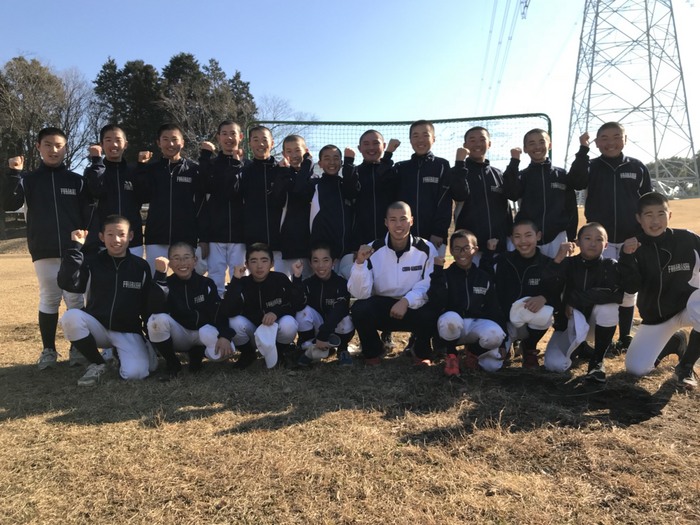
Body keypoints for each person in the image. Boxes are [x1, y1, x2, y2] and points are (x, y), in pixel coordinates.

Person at [2, 127, 89, 369]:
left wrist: (83, 241)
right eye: (48, 145)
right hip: (44, 249)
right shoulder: (28, 180)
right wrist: (13, 173)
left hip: (74, 250)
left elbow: (86, 215)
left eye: (59, 145)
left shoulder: (77, 181)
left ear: (66, 148)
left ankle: (79, 348)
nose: (53, 150)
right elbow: (10, 203)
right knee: (50, 298)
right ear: (38, 147)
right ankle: (49, 350)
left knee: (75, 299)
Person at [569, 121, 652, 353]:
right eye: (604, 138)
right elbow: (575, 181)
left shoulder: (637, 166)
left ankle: (625, 337)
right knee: (599, 288)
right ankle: (589, 339)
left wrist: (642, 235)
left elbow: (648, 201)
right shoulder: (591, 166)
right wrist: (583, 151)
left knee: (628, 289)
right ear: (597, 143)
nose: (610, 142)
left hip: (630, 240)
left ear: (625, 139)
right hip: (599, 241)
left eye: (616, 137)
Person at [56, 215, 156, 386]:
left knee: (136, 373)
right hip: (98, 327)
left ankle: (120, 353)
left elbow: (147, 305)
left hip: (127, 330)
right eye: (110, 234)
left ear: (131, 236)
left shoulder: (141, 266)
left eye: (121, 234)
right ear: (101, 237)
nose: (116, 240)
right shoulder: (92, 262)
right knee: (70, 317)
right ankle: (98, 363)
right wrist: (75, 248)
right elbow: (68, 283)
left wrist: (151, 338)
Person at [620, 192, 700, 389]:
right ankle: (674, 341)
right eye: (649, 215)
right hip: (658, 317)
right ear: (639, 218)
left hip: (689, 308)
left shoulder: (688, 239)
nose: (655, 221)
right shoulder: (633, 247)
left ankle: (686, 366)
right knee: (636, 368)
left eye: (661, 214)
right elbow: (631, 287)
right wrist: (627, 257)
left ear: (669, 215)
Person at [348, 201, 438, 366]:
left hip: (412, 307)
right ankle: (373, 350)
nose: (398, 225)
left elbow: (429, 284)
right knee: (359, 309)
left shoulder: (426, 248)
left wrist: (406, 301)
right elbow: (360, 293)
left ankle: (420, 350)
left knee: (433, 310)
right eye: (393, 220)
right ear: (386, 222)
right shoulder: (372, 249)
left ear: (411, 221)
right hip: (383, 308)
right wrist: (359, 264)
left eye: (403, 219)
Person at [543, 223, 623, 382]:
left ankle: (597, 361)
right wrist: (557, 260)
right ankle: (581, 348)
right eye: (587, 238)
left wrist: (575, 299)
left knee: (609, 308)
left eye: (599, 239)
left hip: (594, 325)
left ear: (606, 245)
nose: (593, 243)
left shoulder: (610, 265)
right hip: (568, 324)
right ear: (577, 242)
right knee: (554, 365)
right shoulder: (567, 263)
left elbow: (616, 295)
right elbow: (547, 286)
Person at [480, 219, 564, 368]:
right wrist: (489, 252)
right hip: (506, 323)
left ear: (538, 236)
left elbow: (556, 292)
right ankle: (506, 346)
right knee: (490, 366)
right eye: (517, 236)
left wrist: (544, 298)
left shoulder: (546, 263)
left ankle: (529, 347)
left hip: (531, 321)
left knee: (545, 314)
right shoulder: (504, 260)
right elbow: (487, 282)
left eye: (528, 235)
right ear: (512, 239)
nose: (523, 241)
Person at [147, 242, 236, 380]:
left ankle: (198, 354)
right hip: (180, 335)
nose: (182, 262)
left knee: (224, 352)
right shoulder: (166, 283)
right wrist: (159, 275)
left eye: (186, 257)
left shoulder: (206, 283)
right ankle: (172, 363)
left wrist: (225, 335)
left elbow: (218, 312)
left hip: (202, 334)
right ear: (170, 263)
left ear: (195, 260)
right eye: (176, 258)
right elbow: (154, 307)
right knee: (155, 320)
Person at [428, 229, 506, 377]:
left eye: (466, 248)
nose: (462, 253)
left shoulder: (483, 277)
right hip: (453, 327)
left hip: (476, 325)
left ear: (475, 250)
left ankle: (474, 352)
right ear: (451, 251)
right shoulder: (445, 275)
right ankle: (452, 355)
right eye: (457, 249)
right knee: (450, 319)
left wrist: (502, 343)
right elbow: (435, 302)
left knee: (493, 361)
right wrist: (437, 272)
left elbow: (494, 308)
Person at [503, 128, 583, 258]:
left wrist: (571, 235)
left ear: (549, 145)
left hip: (557, 237)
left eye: (541, 142)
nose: (537, 147)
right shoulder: (522, 176)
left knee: (558, 270)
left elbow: (571, 207)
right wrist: (514, 162)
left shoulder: (562, 175)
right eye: (531, 143)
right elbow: (511, 194)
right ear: (525, 149)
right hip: (529, 238)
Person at [220, 243, 300, 369]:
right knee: (234, 321)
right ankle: (248, 354)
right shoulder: (242, 283)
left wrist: (276, 312)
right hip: (253, 332)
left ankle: (279, 352)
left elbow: (294, 304)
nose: (259, 266)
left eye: (264, 260)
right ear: (247, 265)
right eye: (253, 261)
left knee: (289, 323)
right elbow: (227, 310)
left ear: (272, 263)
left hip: (274, 330)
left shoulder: (280, 279)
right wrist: (235, 280)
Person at [137, 123, 204, 271]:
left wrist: (201, 235)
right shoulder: (151, 169)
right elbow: (142, 195)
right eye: (165, 139)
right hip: (156, 237)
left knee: (187, 278)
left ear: (182, 142)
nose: (170, 144)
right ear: (158, 143)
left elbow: (201, 204)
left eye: (174, 139)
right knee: (155, 278)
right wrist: (141, 167)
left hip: (186, 237)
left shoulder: (193, 170)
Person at [388, 120, 452, 257]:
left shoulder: (442, 165)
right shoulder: (401, 168)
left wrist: (439, 232)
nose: (420, 140)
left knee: (434, 271)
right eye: (415, 136)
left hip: (434, 238)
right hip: (404, 238)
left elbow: (445, 201)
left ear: (433, 139)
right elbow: (383, 182)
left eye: (425, 135)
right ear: (410, 140)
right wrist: (388, 153)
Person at [451, 126, 512, 263]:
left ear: (489, 144)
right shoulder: (458, 172)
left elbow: (506, 208)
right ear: (465, 145)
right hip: (471, 250)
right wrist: (459, 163)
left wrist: (508, 236)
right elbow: (459, 194)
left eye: (482, 140)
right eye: (472, 140)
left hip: (499, 247)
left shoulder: (498, 174)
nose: (477, 144)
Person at [198, 120, 246, 296]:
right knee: (215, 278)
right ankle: (216, 309)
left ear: (240, 137)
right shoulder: (211, 164)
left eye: (233, 133)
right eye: (224, 134)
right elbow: (202, 192)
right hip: (215, 235)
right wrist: (204, 236)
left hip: (240, 236)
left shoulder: (247, 165)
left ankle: (239, 310)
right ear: (218, 137)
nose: (229, 138)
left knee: (240, 278)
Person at [84, 124, 145, 258]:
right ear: (101, 144)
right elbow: (96, 190)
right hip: (103, 241)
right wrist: (97, 161)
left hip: (133, 240)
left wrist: (142, 168)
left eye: (118, 140)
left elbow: (144, 196)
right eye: (108, 140)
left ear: (126, 144)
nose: (114, 144)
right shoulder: (94, 170)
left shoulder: (133, 171)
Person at [292, 242, 355, 367]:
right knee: (302, 312)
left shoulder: (342, 283)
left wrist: (323, 335)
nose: (320, 265)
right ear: (310, 263)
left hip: (333, 328)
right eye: (316, 261)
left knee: (346, 319)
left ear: (333, 262)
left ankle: (342, 349)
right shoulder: (308, 283)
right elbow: (297, 305)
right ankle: (308, 348)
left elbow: (340, 309)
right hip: (317, 328)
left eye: (325, 260)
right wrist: (297, 278)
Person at [235, 126, 288, 271]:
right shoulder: (244, 170)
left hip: (280, 240)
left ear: (272, 142)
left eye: (264, 139)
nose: (261, 144)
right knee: (254, 279)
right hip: (253, 240)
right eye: (255, 140)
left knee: (282, 279)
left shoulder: (282, 169)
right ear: (250, 143)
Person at [309, 145, 358, 279]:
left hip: (346, 254)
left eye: (336, 158)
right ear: (320, 163)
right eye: (327, 158)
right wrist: (307, 161)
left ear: (341, 163)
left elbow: (352, 187)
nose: (332, 162)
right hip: (323, 256)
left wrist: (349, 162)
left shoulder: (345, 186)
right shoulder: (314, 185)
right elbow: (298, 189)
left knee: (346, 288)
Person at [343, 130, 400, 244]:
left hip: (390, 241)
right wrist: (348, 162)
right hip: (360, 243)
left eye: (376, 143)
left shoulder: (393, 171)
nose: (371, 147)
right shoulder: (354, 172)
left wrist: (388, 155)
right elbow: (350, 192)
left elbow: (382, 177)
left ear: (384, 146)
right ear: (359, 148)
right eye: (366, 144)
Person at [276, 134, 316, 278]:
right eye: (289, 151)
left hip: (309, 246)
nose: (294, 155)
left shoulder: (315, 178)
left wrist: (307, 165)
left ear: (306, 151)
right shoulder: (281, 174)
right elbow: (284, 195)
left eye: (297, 150)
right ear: (283, 154)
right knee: (284, 285)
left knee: (307, 285)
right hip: (287, 245)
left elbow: (302, 189)